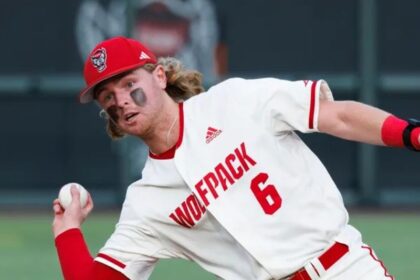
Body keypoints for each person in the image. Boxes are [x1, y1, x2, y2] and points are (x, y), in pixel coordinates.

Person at [52, 36, 419, 280]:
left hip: (343, 268)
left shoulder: (234, 101)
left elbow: (338, 115)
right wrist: (67, 230)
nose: (121, 100)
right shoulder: (146, 202)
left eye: (129, 84)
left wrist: (409, 133)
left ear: (159, 77)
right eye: (107, 96)